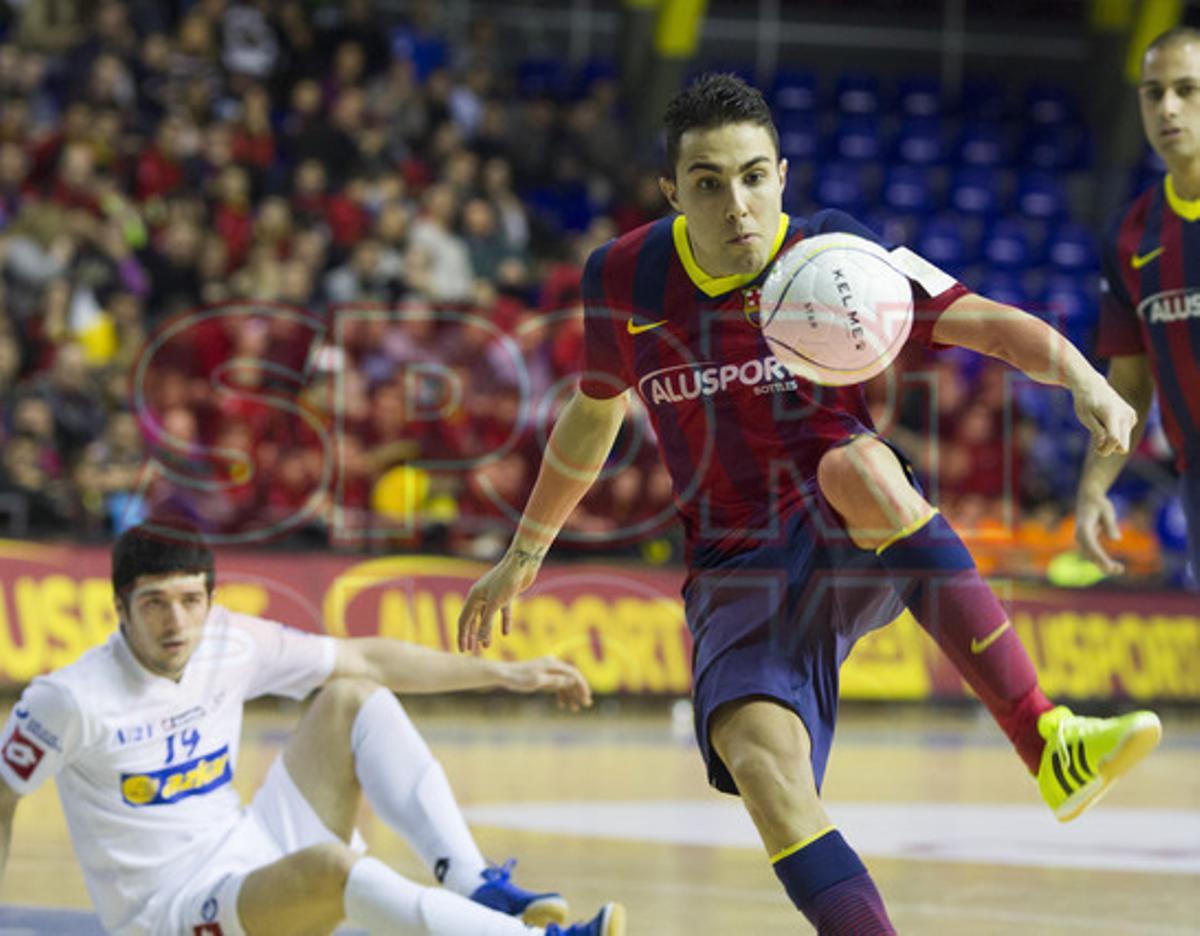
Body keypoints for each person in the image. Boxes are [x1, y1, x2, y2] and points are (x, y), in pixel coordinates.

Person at [456, 73, 1163, 935]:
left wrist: (1086, 379)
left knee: (856, 468)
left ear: (782, 175)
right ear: (672, 191)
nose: (737, 205)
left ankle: (1045, 740)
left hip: (848, 532)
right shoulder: (623, 276)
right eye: (709, 184)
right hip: (731, 567)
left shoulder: (835, 254)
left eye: (754, 176)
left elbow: (983, 321)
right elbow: (594, 410)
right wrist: (523, 554)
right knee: (763, 769)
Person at [0, 522, 626, 936]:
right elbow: (4, 793)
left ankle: (473, 886)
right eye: (154, 603)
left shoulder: (229, 641)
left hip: (251, 848)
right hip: (172, 912)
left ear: (210, 600)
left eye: (191, 601)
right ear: (120, 610)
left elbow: (370, 658)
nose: (176, 622)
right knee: (331, 865)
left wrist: (507, 676)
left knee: (352, 696)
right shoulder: (71, 699)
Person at [1077, 25, 1200, 589]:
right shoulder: (1130, 235)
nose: (1168, 107)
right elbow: (1128, 382)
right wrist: (1094, 487)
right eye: (1154, 92)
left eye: (1187, 89)